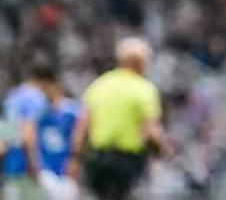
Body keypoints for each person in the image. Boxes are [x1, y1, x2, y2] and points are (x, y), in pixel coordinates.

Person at [76, 36, 170, 200]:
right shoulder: (144, 89)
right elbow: (151, 131)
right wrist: (163, 151)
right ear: (141, 63)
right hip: (126, 161)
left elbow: (83, 124)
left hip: (98, 158)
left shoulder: (100, 84)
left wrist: (76, 155)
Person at [2, 61, 57, 200]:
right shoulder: (36, 98)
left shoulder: (13, 95)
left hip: (9, 163)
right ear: (47, 82)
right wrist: (34, 165)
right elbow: (28, 132)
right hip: (24, 164)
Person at [36, 83, 84, 200]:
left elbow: (81, 132)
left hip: (66, 166)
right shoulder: (40, 112)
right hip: (45, 167)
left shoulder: (72, 112)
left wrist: (75, 159)